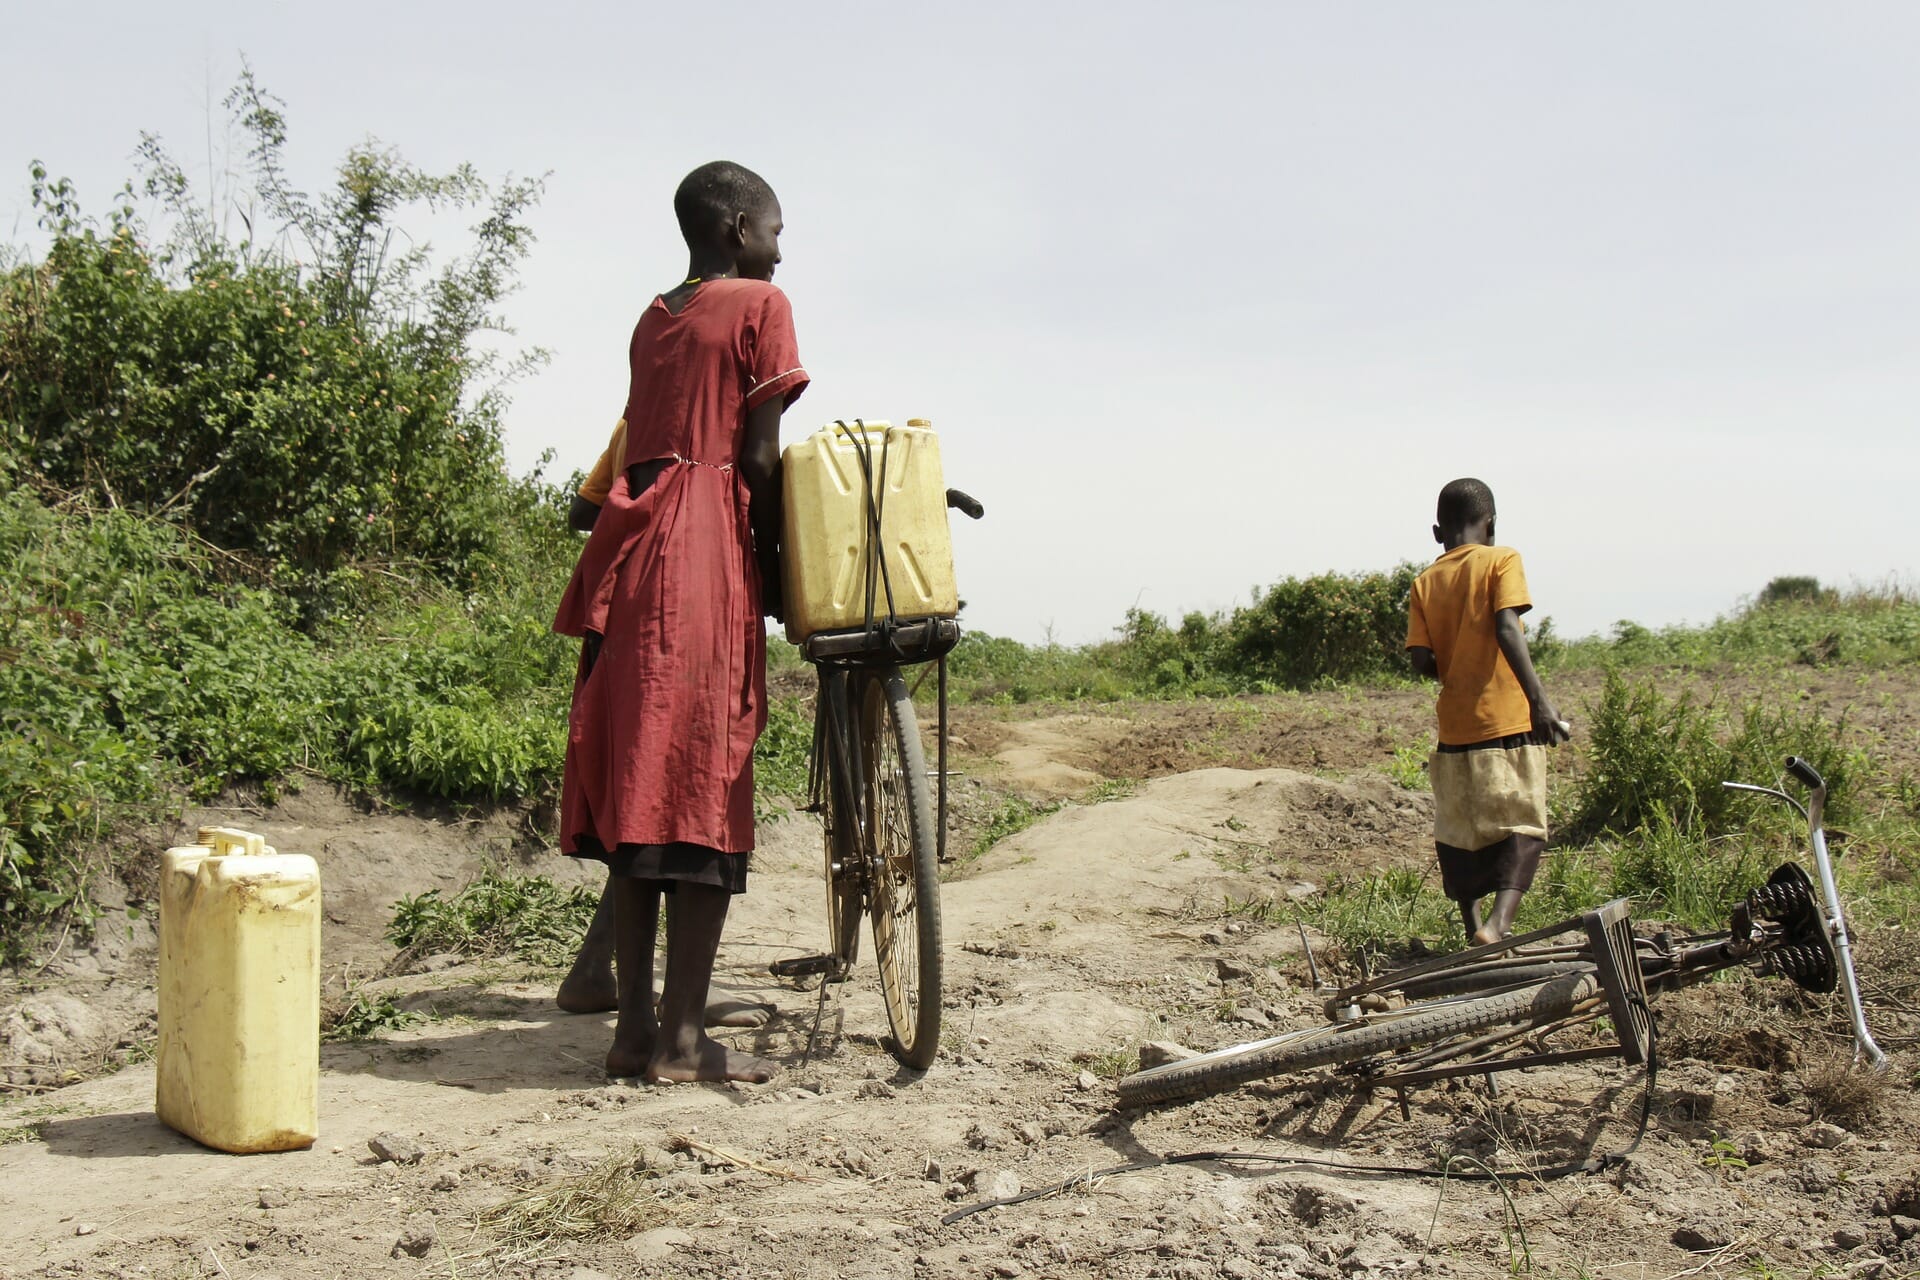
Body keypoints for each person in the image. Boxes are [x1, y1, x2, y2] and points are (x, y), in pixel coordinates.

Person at [552, 160, 806, 1082]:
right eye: (776, 230)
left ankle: (630, 1035)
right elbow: (762, 458)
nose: (782, 248)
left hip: (631, 549)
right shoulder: (758, 305)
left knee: (642, 782)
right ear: (738, 228)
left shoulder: (652, 315)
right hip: (704, 548)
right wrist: (780, 573)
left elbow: (641, 439)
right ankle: (685, 1045)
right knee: (704, 777)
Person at [554, 417, 772, 1031]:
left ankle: (599, 971)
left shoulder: (637, 424)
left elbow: (584, 509)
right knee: (684, 793)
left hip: (619, 603)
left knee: (648, 797)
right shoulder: (724, 433)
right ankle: (675, 1014)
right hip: (671, 608)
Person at [1405, 478, 1570, 946]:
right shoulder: (1502, 560)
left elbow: (1421, 661)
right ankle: (1498, 926)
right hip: (1507, 719)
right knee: (1519, 819)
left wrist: (1455, 664)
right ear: (1491, 524)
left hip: (1455, 726)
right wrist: (1539, 699)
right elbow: (1507, 627)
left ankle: (1472, 927)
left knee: (1462, 827)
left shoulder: (1424, 581)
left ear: (1438, 533)